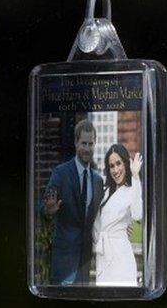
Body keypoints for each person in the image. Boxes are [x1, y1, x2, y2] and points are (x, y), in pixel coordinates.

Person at [41, 120, 104, 284]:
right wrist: (49, 210)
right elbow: (42, 207)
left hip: (85, 260)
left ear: (95, 143)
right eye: (83, 143)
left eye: (91, 143)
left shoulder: (97, 181)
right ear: (76, 143)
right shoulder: (60, 173)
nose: (87, 148)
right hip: (64, 260)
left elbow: (99, 216)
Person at [93, 144, 143, 286]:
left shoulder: (131, 189)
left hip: (121, 255)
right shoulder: (106, 190)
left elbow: (138, 214)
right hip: (103, 255)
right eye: (112, 166)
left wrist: (135, 176)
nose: (115, 170)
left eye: (118, 163)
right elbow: (96, 222)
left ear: (126, 163)